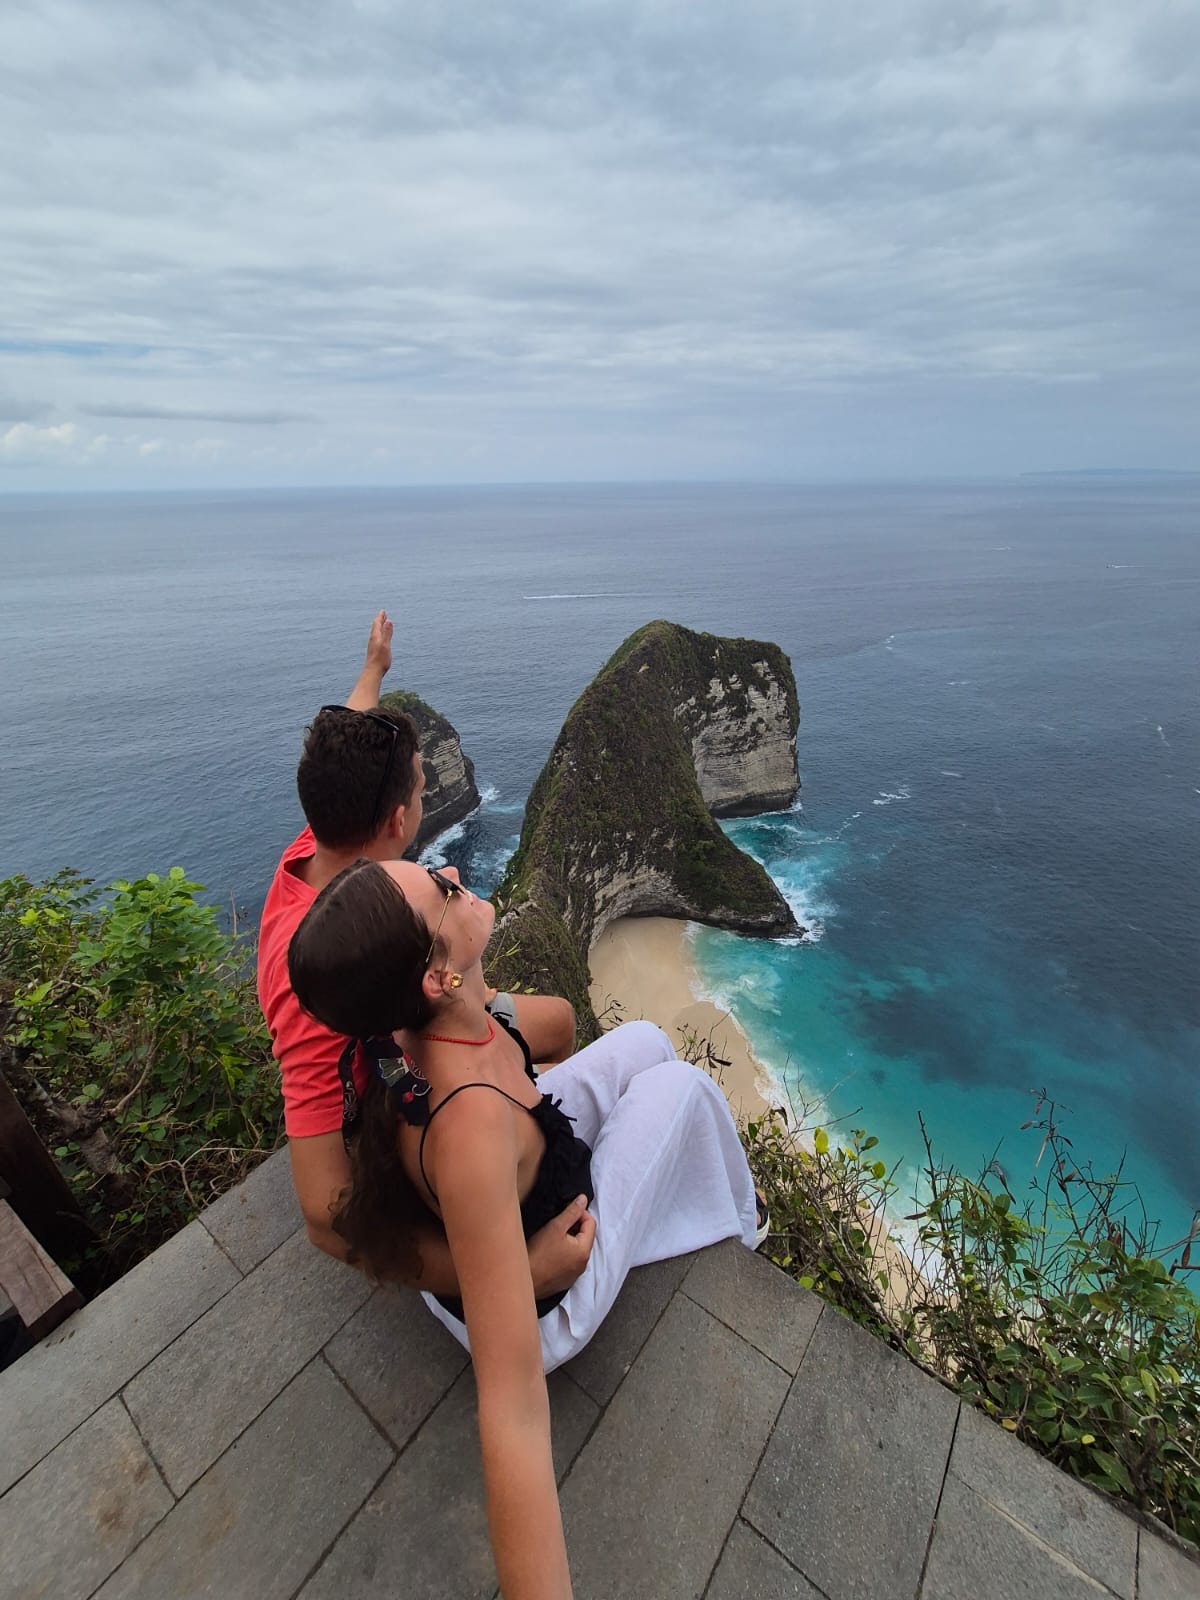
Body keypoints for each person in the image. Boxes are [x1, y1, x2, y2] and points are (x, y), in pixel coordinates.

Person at [287, 855, 760, 1600]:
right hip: (541, 1311)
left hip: (512, 1172)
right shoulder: (468, 1127)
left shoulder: (424, 1027)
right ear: (433, 979)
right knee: (680, 1086)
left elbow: (562, 1026)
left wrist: (487, 1001)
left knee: (642, 1041)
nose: (452, 872)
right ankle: (744, 1223)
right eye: (442, 888)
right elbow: (508, 1414)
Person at [257, 612, 591, 1304]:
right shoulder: (317, 978)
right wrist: (510, 1279)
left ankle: (528, 1124)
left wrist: (374, 669)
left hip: (420, 998)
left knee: (557, 1023)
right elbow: (323, 1215)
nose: (422, 790)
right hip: (401, 1065)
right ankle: (518, 1176)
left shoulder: (322, 840)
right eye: (419, 785)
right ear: (399, 823)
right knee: (553, 1038)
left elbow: (343, 754)